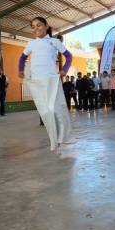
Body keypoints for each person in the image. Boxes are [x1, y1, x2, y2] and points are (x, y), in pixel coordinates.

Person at [19, 17, 74, 151]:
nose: (36, 28)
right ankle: (53, 140)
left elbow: (69, 56)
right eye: (33, 26)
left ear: (46, 26)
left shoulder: (54, 42)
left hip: (52, 80)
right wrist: (20, 70)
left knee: (58, 109)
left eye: (39, 25)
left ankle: (63, 137)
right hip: (37, 82)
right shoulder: (31, 44)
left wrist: (64, 70)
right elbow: (22, 57)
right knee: (45, 112)